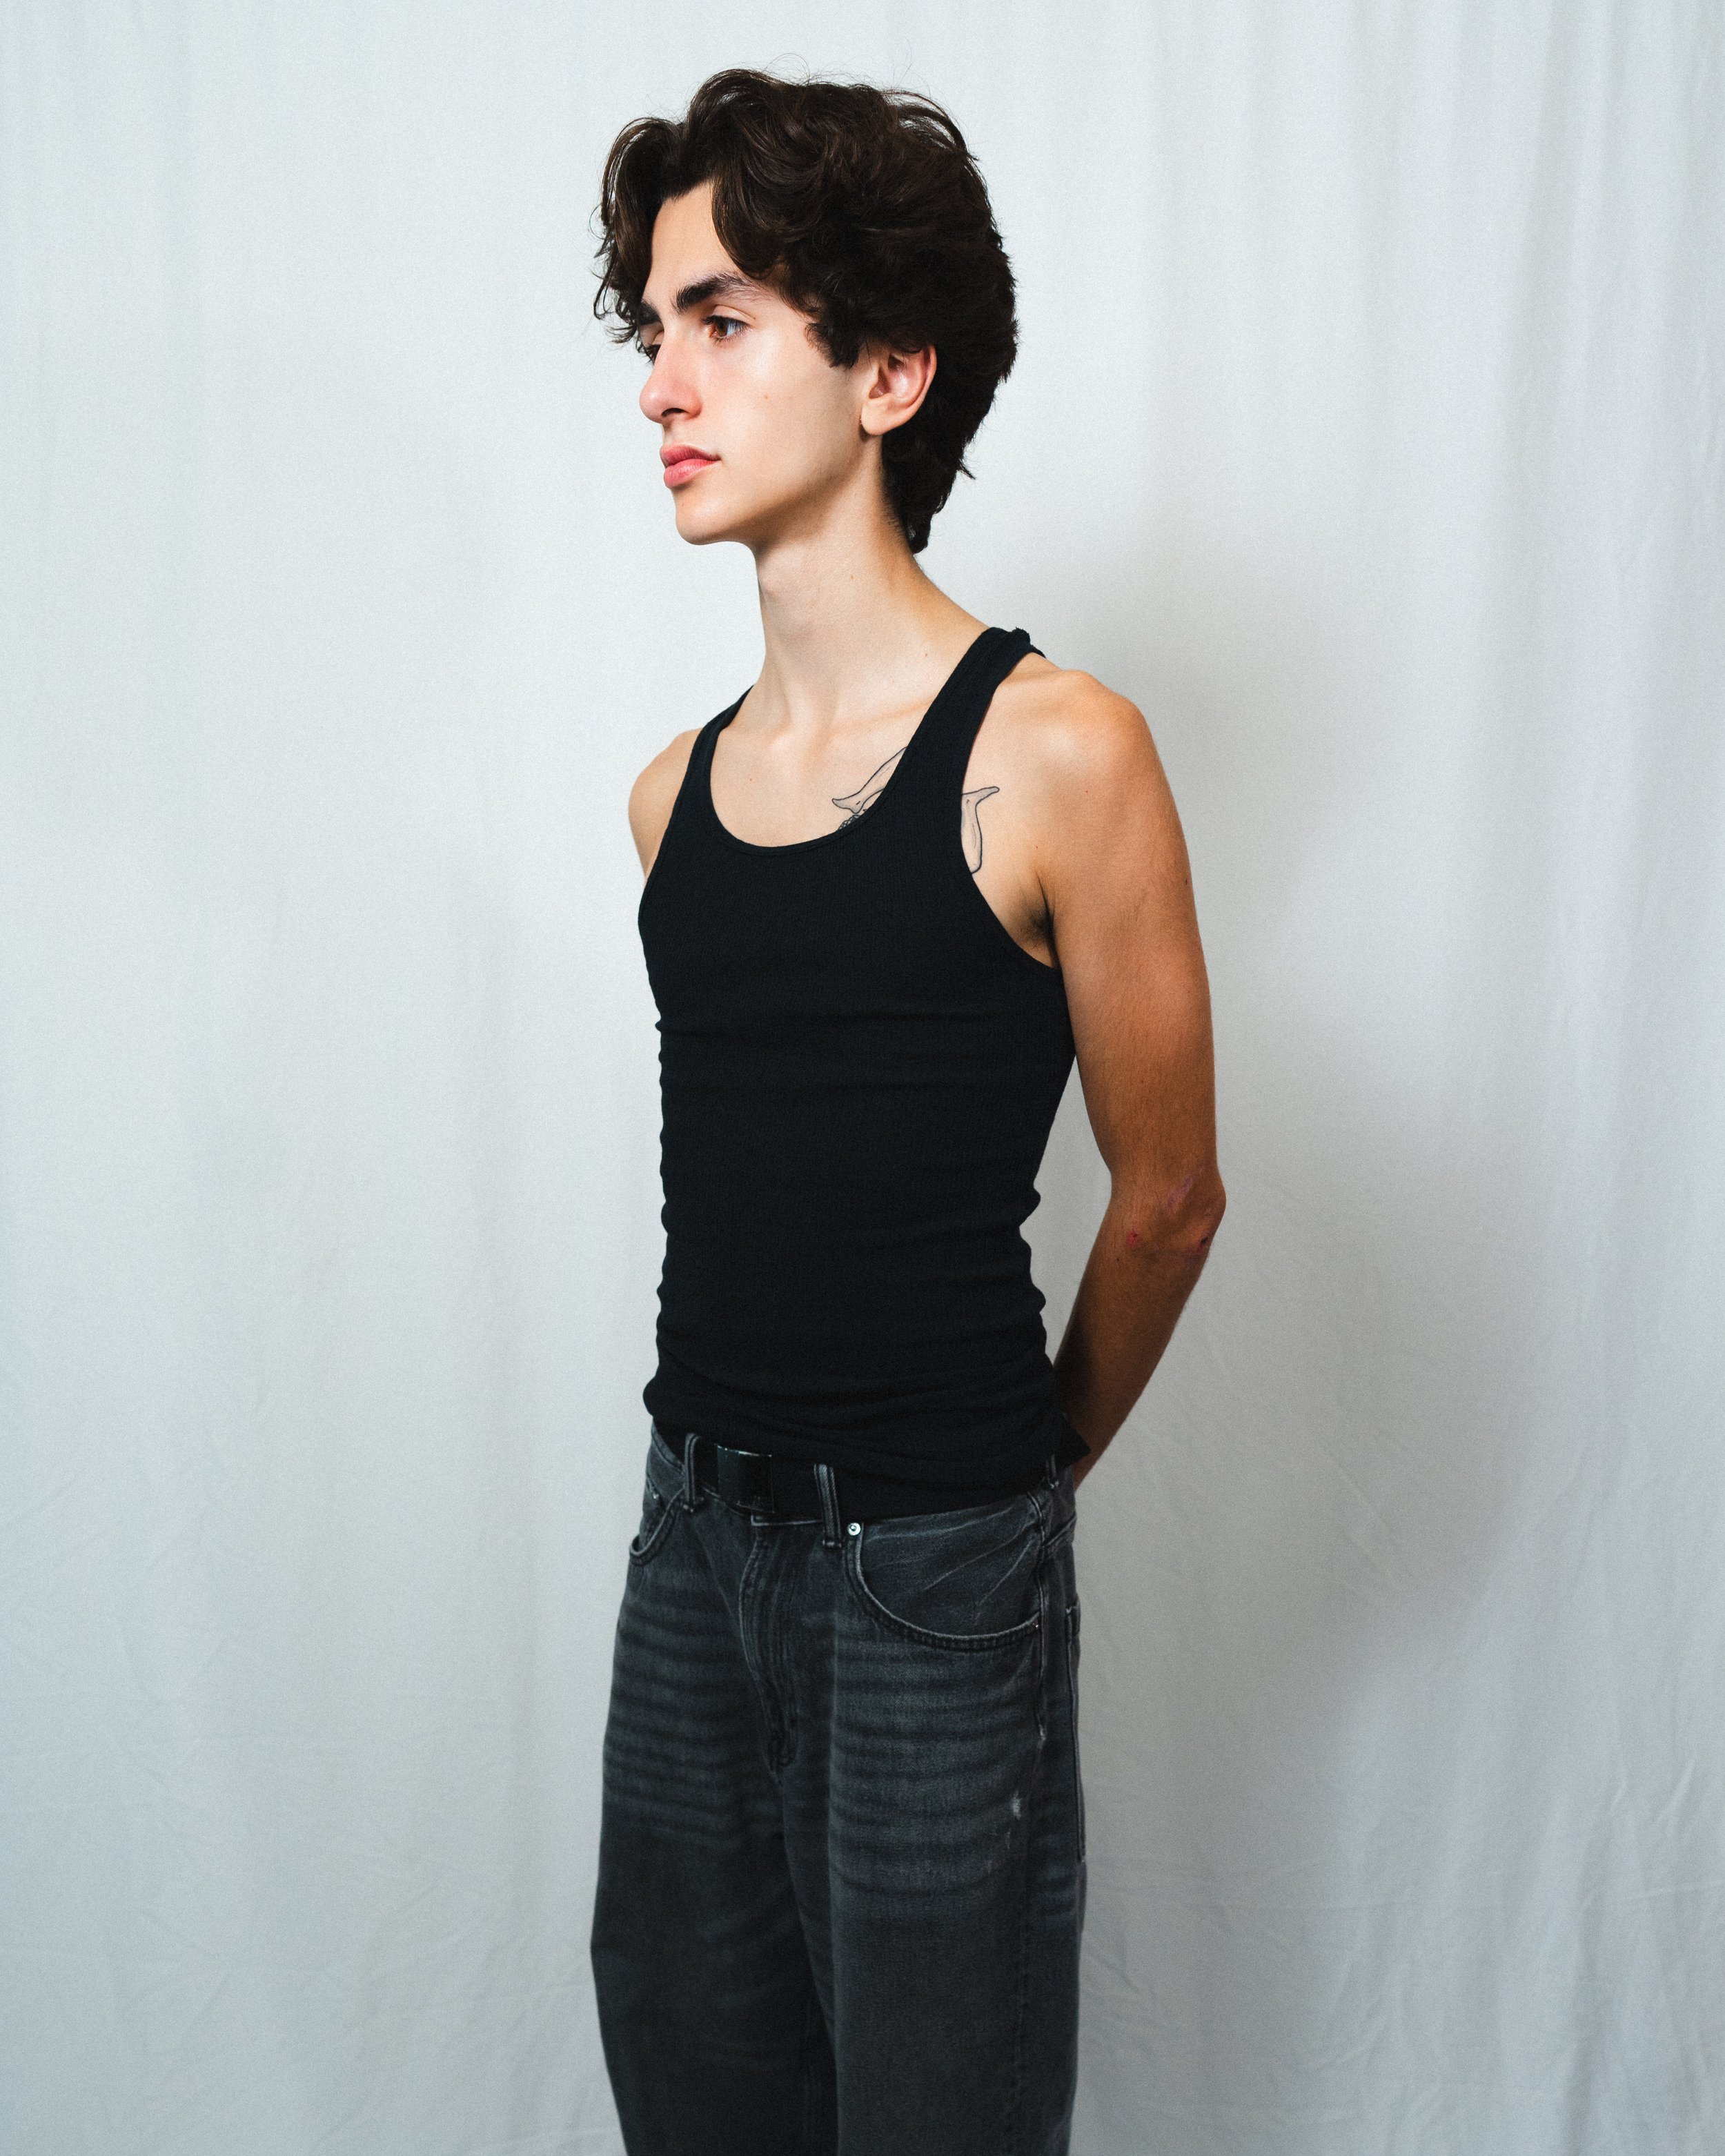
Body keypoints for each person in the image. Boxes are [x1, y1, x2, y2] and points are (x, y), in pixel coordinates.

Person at [586, 67, 1224, 2156]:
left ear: (888, 369)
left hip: (932, 1563)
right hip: (691, 1538)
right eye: (654, 325)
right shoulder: (668, 796)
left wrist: (1011, 1482)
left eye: (725, 320)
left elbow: (1167, 1200)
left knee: (934, 2113)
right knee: (695, 2083)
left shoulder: (1056, 749)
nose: (664, 379)